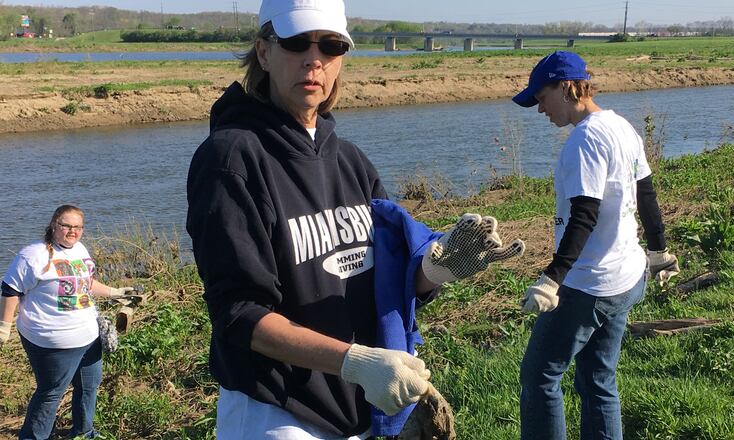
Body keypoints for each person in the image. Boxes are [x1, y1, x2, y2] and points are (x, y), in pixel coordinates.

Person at [185, 0, 524, 438]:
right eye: (295, 42)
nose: (314, 59)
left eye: (330, 45)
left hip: (358, 402)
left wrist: (431, 272)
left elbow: (385, 279)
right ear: (264, 52)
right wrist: (354, 361)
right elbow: (238, 314)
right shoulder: (230, 159)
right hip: (279, 412)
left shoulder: (349, 160)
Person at [513, 51, 680, 440]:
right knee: (598, 379)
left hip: (588, 285)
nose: (540, 110)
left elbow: (584, 215)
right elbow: (647, 194)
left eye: (541, 98)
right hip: (625, 276)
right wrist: (658, 249)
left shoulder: (585, 140)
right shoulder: (622, 127)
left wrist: (552, 278)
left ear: (568, 87)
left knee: (539, 377)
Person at [0, 204, 134, 440]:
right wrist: (4, 326)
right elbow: (11, 289)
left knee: (89, 387)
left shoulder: (79, 249)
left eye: (78, 227)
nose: (73, 231)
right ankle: (33, 437)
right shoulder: (33, 255)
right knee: (51, 393)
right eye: (67, 225)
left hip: (89, 337)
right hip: (52, 342)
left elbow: (86, 283)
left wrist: (116, 291)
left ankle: (84, 432)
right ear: (54, 225)